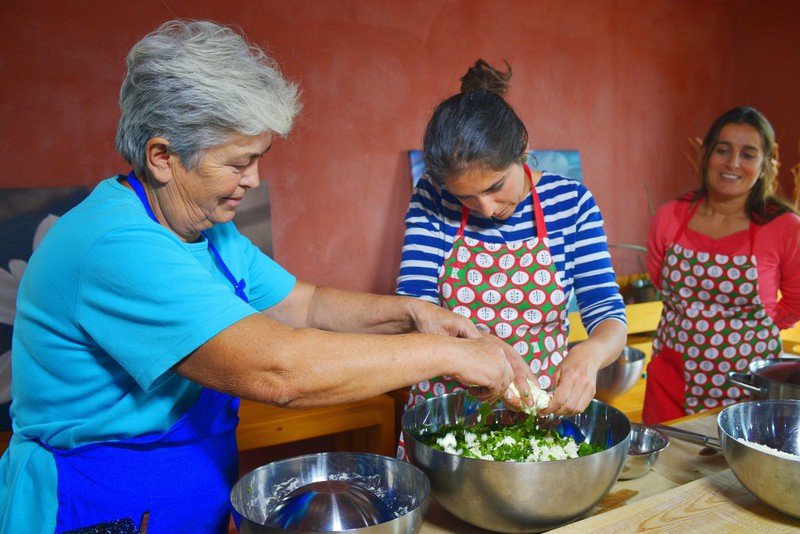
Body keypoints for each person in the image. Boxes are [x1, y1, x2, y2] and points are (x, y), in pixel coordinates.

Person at [0, 22, 537, 533]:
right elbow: (279, 371)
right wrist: (450, 354)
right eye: (238, 163)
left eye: (260, 158)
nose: (254, 180)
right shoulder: (115, 247)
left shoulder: (205, 228)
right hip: (95, 502)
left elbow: (305, 305)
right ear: (162, 156)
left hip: (187, 493)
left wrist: (416, 313)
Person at [395, 59, 628, 458]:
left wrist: (589, 355)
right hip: (448, 419)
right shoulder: (432, 196)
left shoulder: (571, 204)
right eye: (465, 197)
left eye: (495, 186)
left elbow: (607, 313)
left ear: (522, 148)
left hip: (543, 416)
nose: (485, 208)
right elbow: (414, 307)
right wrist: (478, 351)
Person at [643, 106, 800, 424]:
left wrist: (754, 329)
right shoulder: (670, 217)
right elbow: (659, 279)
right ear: (706, 155)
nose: (733, 163)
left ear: (765, 164)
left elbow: (796, 302)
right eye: (723, 150)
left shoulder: (785, 228)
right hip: (672, 379)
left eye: (748, 154)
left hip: (748, 387)